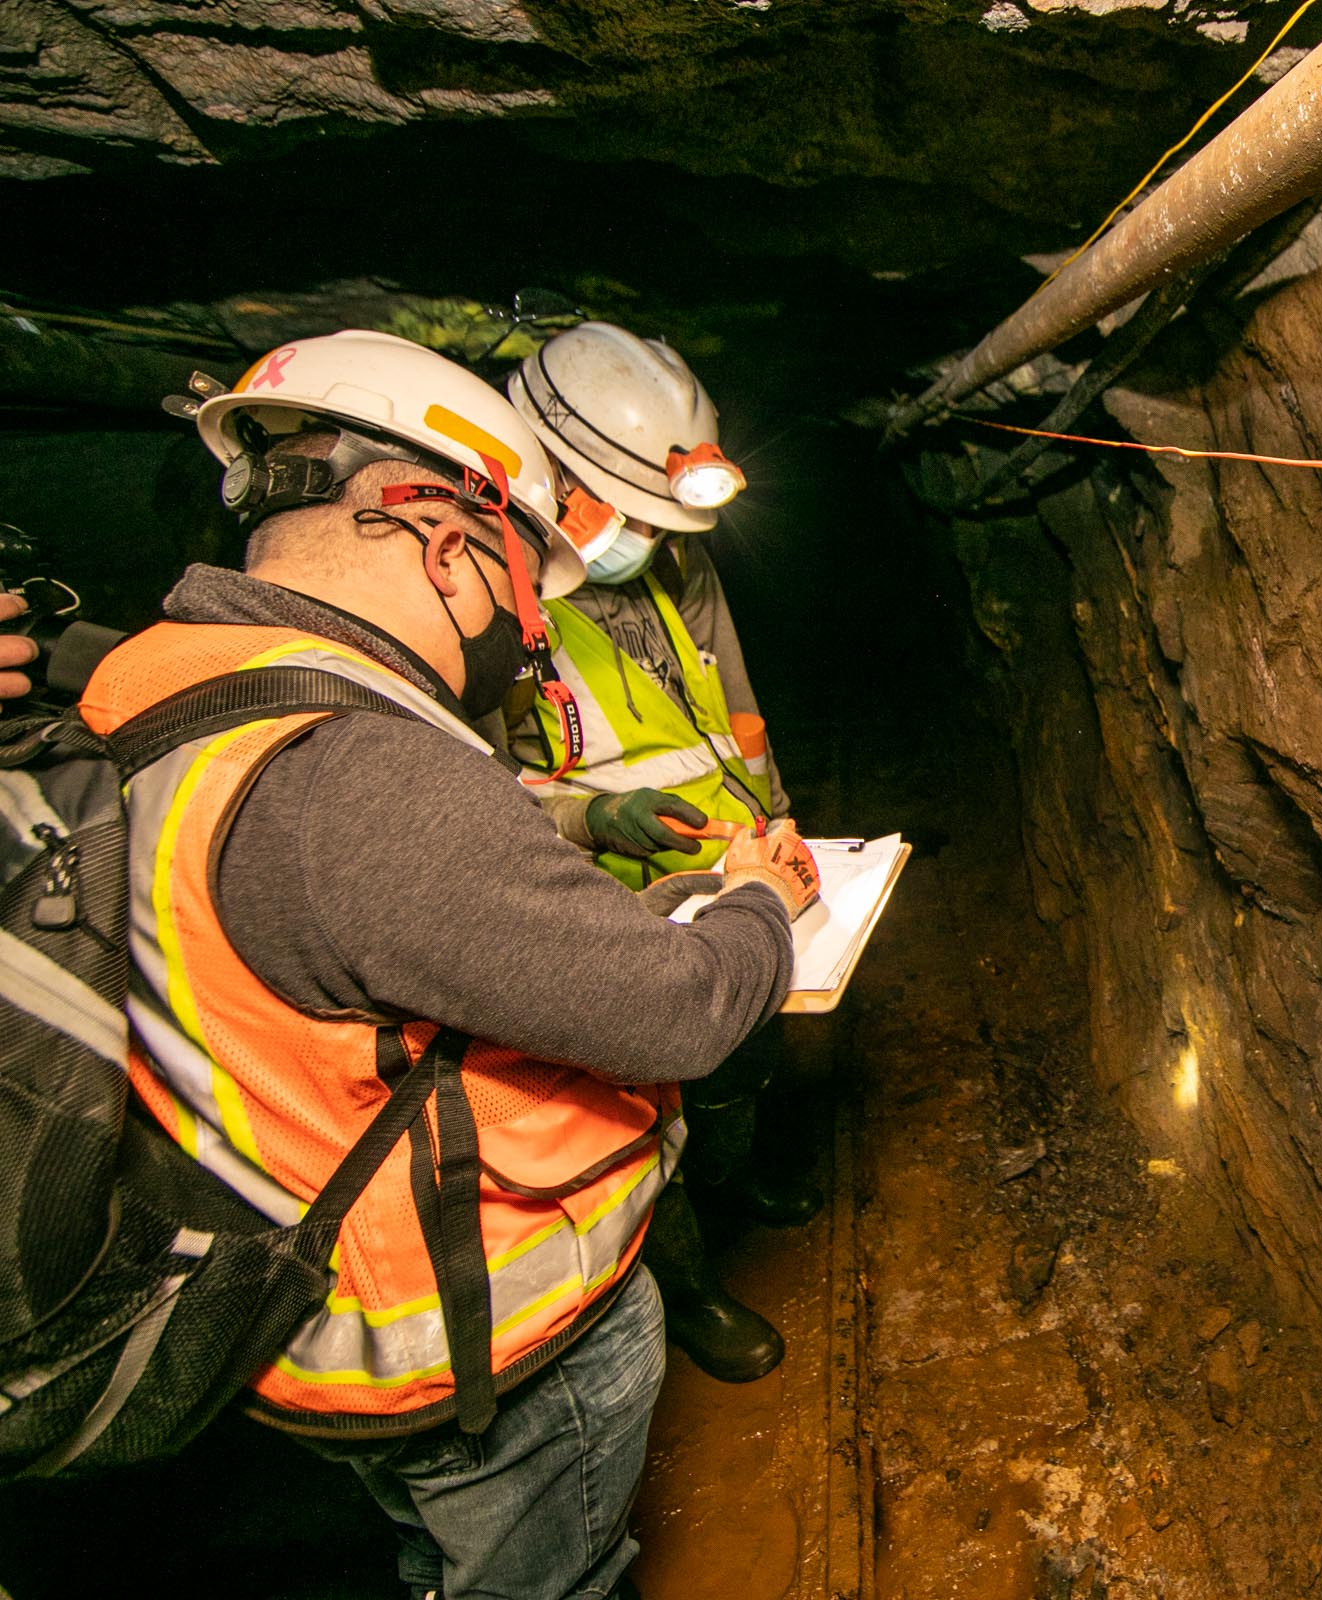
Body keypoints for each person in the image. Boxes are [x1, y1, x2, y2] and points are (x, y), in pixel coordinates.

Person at [80, 329, 818, 1600]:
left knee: (455, 1559)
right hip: (476, 1344)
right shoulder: (357, 771)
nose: (526, 632)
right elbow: (679, 1010)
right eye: (527, 585)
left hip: (313, 1312)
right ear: (449, 543)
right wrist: (756, 899)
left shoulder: (155, 693)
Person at [493, 322, 813, 1385]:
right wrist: (590, 822)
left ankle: (742, 1182)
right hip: (592, 909)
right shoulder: (486, 600)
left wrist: (779, 818)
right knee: (636, 1118)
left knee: (744, 1043)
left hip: (725, 867)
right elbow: (462, 795)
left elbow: (738, 705)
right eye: (626, 512)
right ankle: (690, 1289)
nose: (644, 536)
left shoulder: (677, 560)